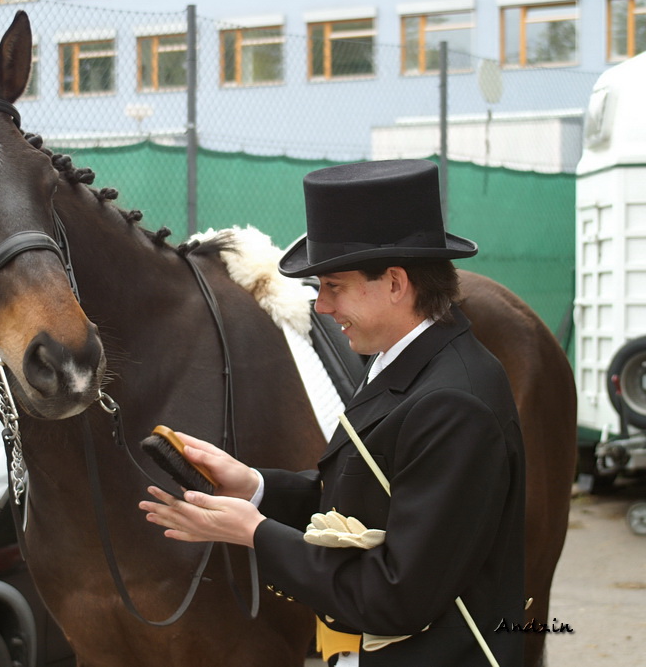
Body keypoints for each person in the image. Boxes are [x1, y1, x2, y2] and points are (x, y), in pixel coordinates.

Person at [140, 159, 526, 667]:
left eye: (334, 286)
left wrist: (255, 533)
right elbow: (364, 503)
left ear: (395, 283)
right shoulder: (399, 359)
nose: (321, 306)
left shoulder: (454, 404)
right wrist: (255, 487)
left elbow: (395, 597)